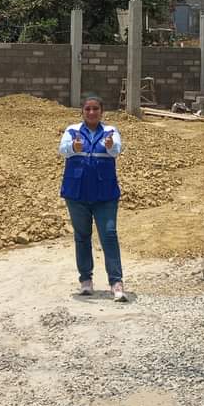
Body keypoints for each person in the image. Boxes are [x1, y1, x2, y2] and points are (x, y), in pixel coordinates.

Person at [58, 95, 127, 302]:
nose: (91, 112)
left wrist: (109, 145)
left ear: (101, 111)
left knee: (109, 235)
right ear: (82, 111)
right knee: (82, 236)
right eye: (87, 109)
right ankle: (86, 281)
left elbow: (116, 151)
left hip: (104, 194)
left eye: (95, 109)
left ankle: (116, 282)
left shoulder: (110, 131)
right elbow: (62, 150)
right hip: (77, 193)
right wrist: (74, 148)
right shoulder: (72, 131)